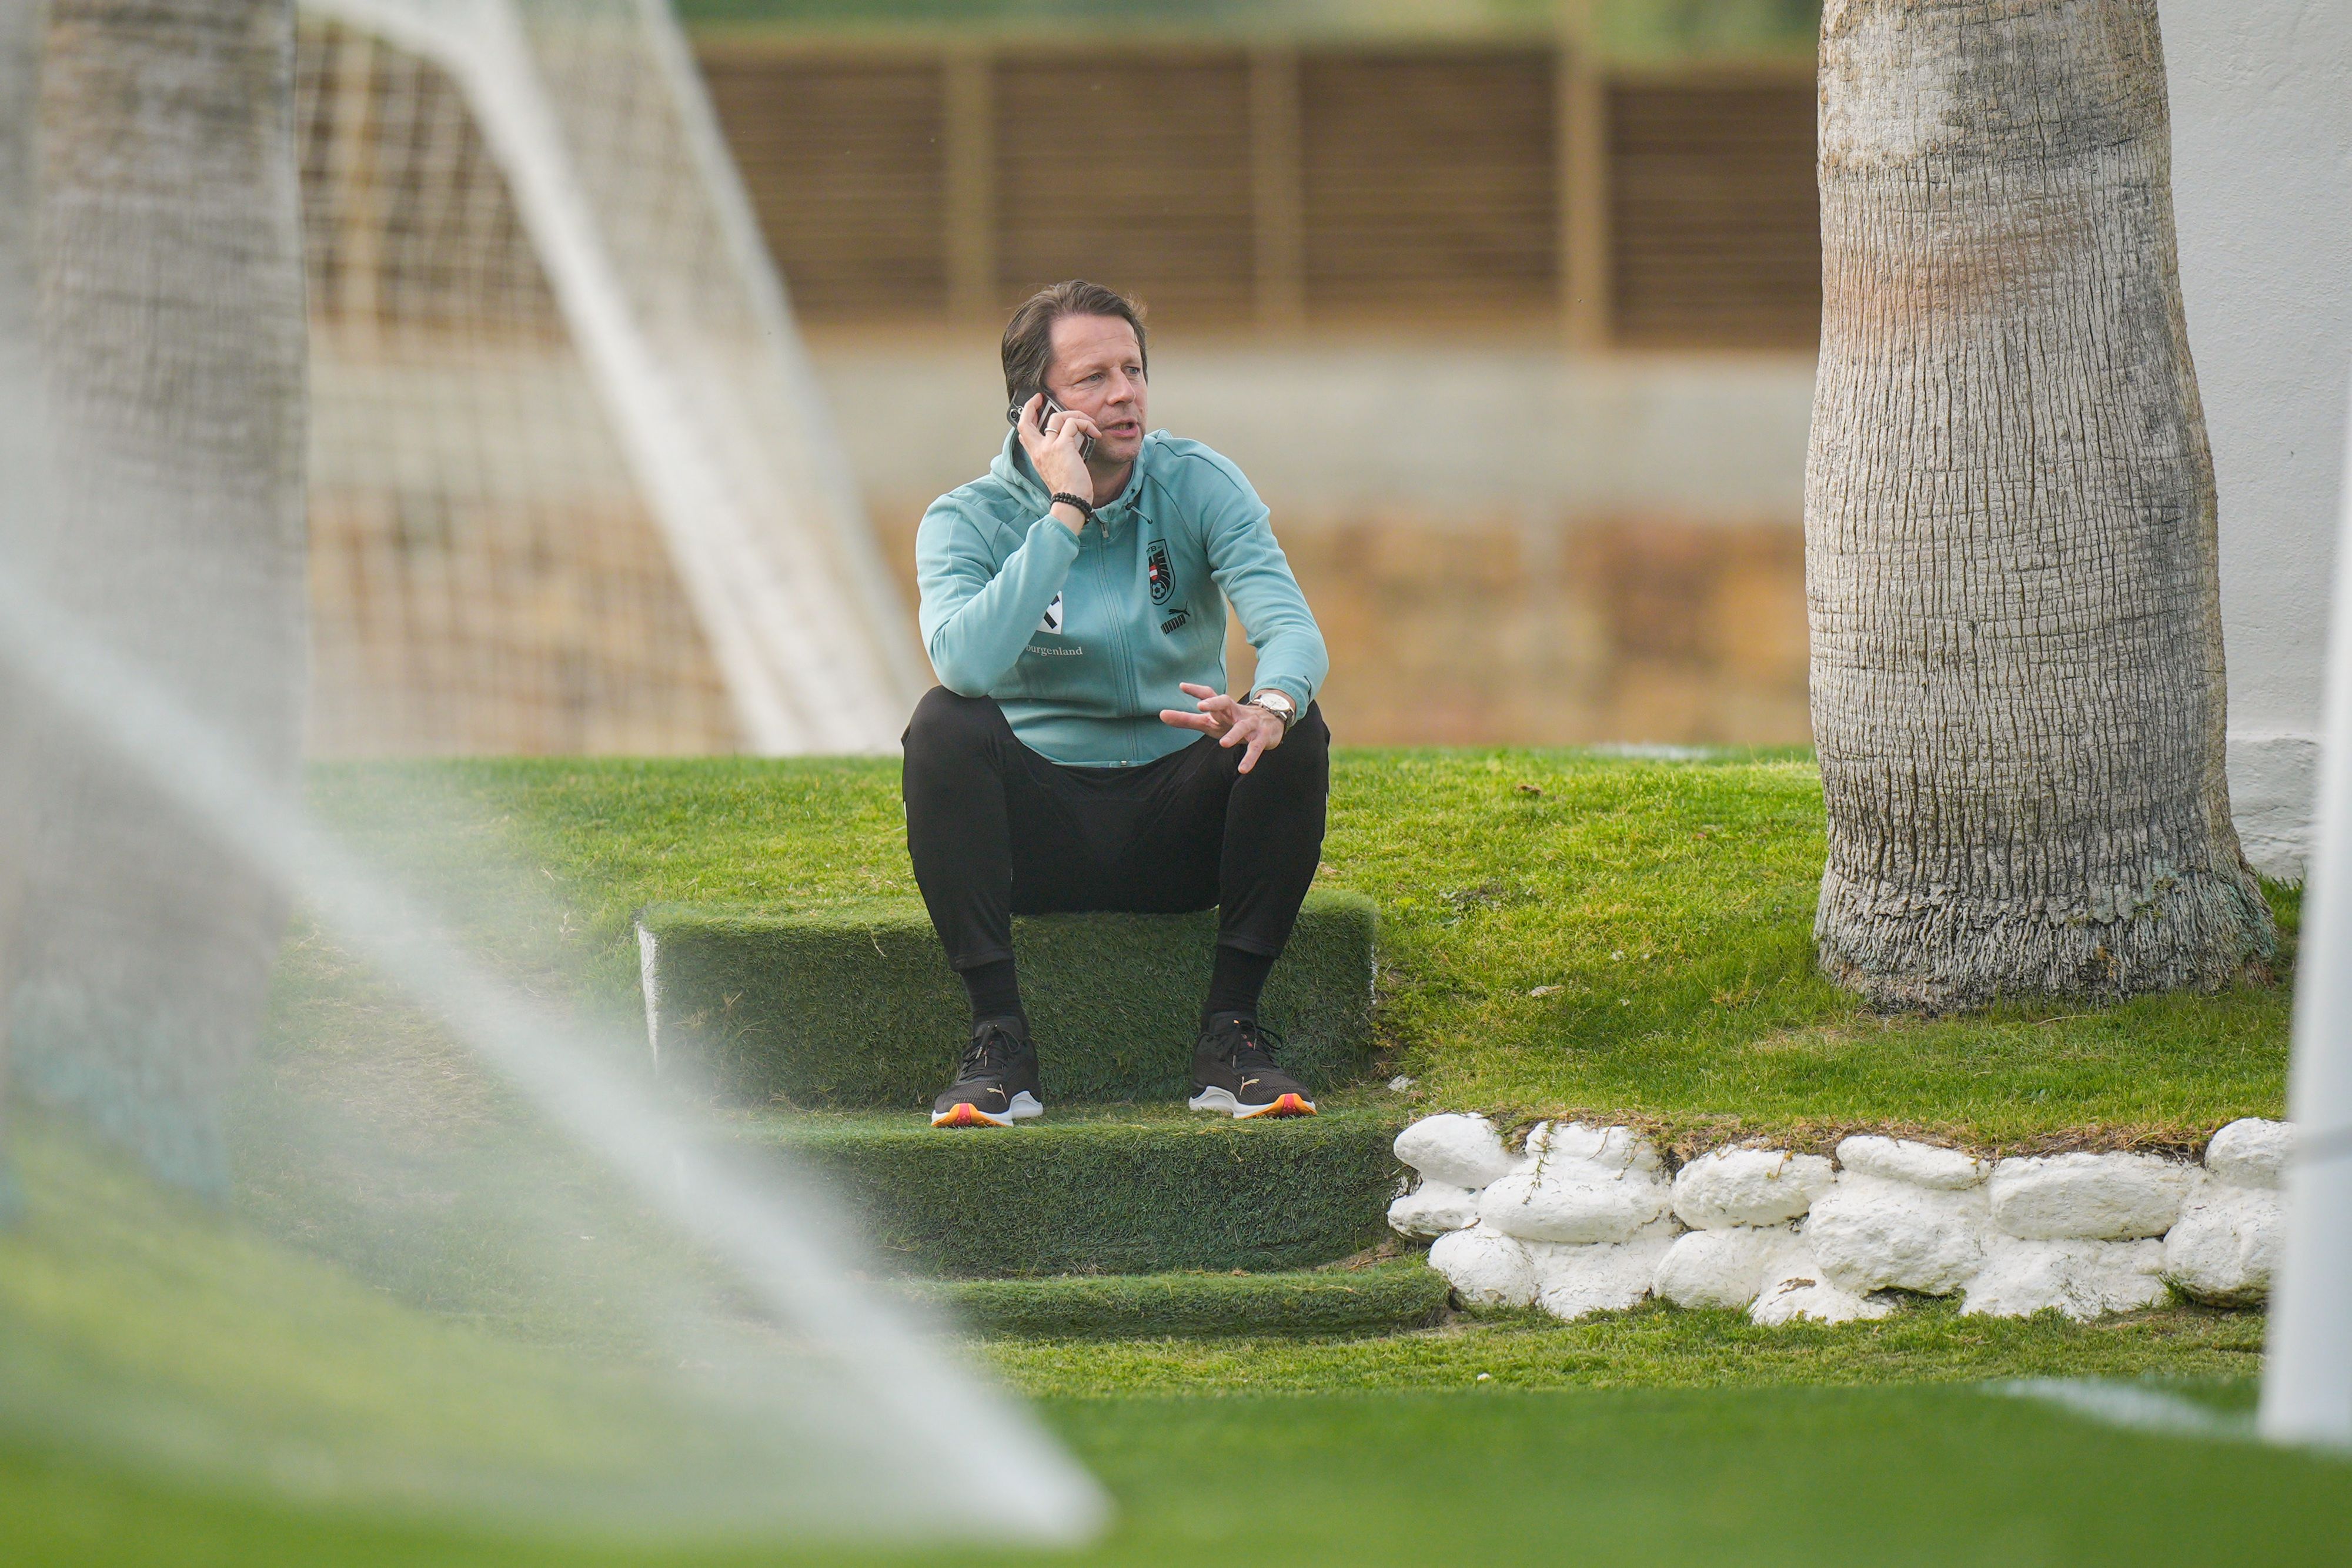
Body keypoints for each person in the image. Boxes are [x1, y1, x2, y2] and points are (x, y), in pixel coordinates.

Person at [903, 279, 1331, 1129]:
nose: (1126, 393)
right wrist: (1063, 511)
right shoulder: (966, 520)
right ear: (1037, 407)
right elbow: (964, 664)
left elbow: (1293, 632)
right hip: (1037, 840)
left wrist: (1270, 704)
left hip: (1179, 822)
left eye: (1133, 369)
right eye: (1094, 377)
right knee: (943, 725)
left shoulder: (1200, 482)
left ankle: (1232, 1037)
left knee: (1295, 724)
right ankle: (1000, 1045)